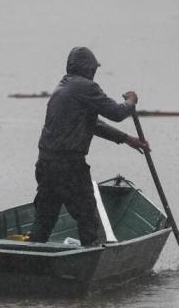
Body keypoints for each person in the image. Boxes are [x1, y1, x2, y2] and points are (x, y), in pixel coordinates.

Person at [28, 46, 149, 246]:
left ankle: (28, 262)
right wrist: (131, 101)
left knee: (44, 220)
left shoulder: (62, 87)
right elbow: (118, 113)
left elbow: (93, 124)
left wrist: (127, 139)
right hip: (69, 166)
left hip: (46, 164)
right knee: (88, 219)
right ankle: (90, 262)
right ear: (88, 68)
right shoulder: (86, 87)